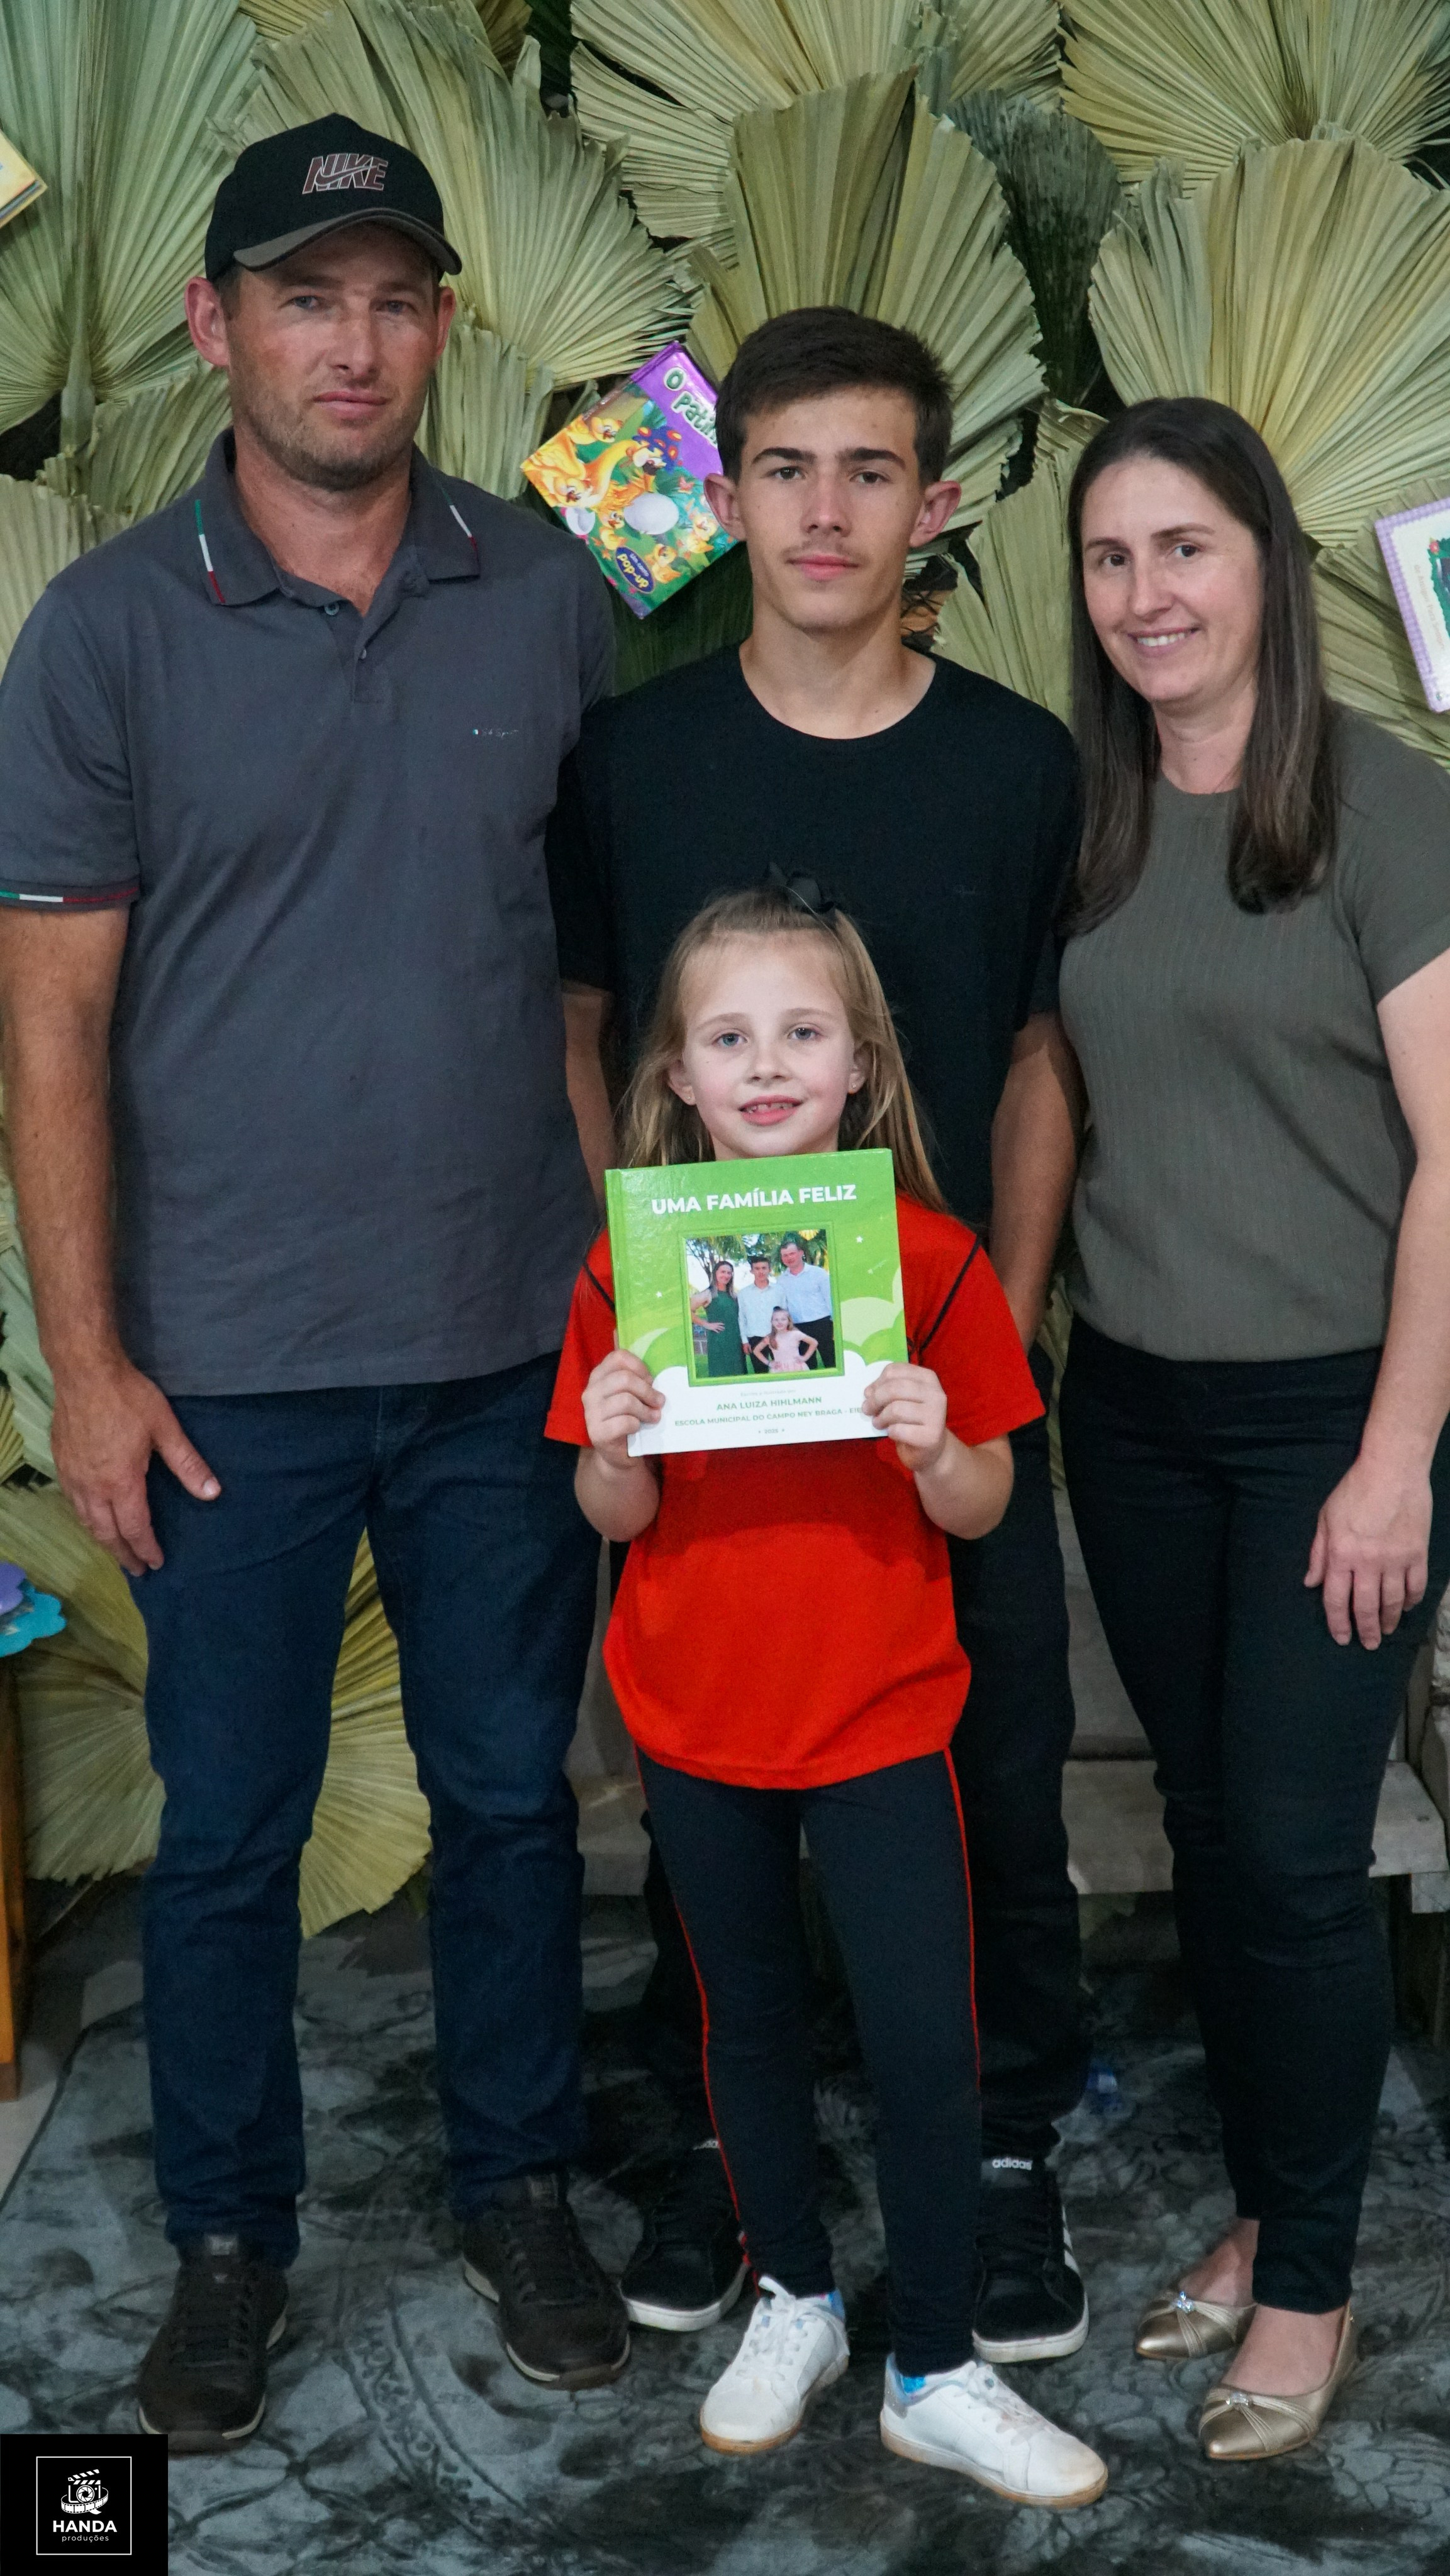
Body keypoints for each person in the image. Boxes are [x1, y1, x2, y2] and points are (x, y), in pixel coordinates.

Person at [0, 115, 631, 2451]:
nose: (349, 343)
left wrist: (619, 1305)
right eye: (302, 297)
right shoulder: (105, 634)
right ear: (213, 327)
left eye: (388, 299)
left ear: (438, 328)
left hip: (500, 1351)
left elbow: (587, 981)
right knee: (232, 1827)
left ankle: (517, 2186)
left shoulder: (539, 592)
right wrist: (88, 1362)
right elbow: (47, 1025)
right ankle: (228, 2244)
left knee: (501, 1798)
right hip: (227, 1375)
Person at [549, 307, 1090, 2360]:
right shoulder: (635, 757)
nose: (826, 508)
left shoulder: (1013, 759)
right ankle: (725, 2147)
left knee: (996, 1754)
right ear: (727, 490)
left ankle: (1006, 2153)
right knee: (705, 1759)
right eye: (784, 467)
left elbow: (1037, 1046)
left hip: (926, 1376)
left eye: (870, 469)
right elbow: (589, 1026)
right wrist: (625, 1283)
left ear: (930, 501)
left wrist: (996, 1322)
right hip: (705, 1386)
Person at [548, 882, 1108, 2508]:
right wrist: (605, 1443)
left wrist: (939, 1440)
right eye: (731, 1036)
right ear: (680, 1073)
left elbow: (986, 1504)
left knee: (928, 2042)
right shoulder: (630, 1272)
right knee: (747, 2030)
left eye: (802, 1032)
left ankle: (931, 2360)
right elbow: (614, 1518)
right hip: (698, 1717)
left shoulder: (925, 1262)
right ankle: (792, 2292)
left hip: (878, 1715)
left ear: (859, 1066)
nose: (768, 1061)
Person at [1055, 396, 1450, 2460]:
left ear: (1266, 569)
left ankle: (1305, 2283)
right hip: (1128, 1406)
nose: (1147, 596)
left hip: (1331, 1418)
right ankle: (1261, 2198)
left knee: (1295, 1858)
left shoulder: (1382, 816)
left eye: (1182, 549)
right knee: (1211, 1839)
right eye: (1111, 560)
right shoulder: (1091, 816)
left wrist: (1394, 1453)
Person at [776, 1234, 835, 1368]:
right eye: (785, 1255)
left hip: (823, 1324)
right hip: (798, 1327)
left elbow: (829, 1298)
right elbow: (784, 1307)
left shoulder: (818, 1273)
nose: (789, 1258)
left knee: (831, 1361)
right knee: (806, 1365)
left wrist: (834, 1324)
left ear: (801, 1253)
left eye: (792, 1254)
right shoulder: (781, 1281)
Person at [692, 1258, 747, 1377]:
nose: (726, 1275)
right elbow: (687, 1311)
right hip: (719, 1341)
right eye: (723, 1272)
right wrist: (706, 1324)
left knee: (739, 1374)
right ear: (716, 1273)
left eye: (729, 1273)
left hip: (736, 1341)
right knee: (721, 1374)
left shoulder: (734, 1295)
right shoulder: (708, 1294)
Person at [737, 1252, 783, 1369]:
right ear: (752, 1271)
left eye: (764, 1268)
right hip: (754, 1338)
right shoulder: (743, 1294)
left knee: (782, 1370)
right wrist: (744, 1341)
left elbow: (785, 1313)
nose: (761, 1272)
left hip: (777, 1336)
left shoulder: (779, 1290)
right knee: (760, 1372)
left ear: (769, 1270)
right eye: (757, 1269)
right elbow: (742, 1318)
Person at [755, 1306, 818, 1373]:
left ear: (789, 1321)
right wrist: (769, 1363)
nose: (779, 1322)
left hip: (797, 1368)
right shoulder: (770, 1338)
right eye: (776, 1320)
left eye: (783, 1319)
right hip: (779, 1369)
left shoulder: (795, 1334)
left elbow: (814, 1342)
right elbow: (756, 1351)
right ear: (772, 1322)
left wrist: (805, 1357)